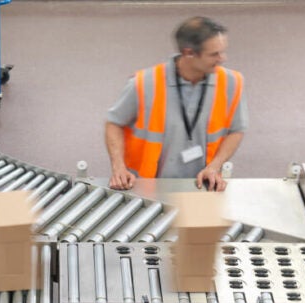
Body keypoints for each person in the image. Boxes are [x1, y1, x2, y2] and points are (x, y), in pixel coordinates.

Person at [104, 17, 246, 193]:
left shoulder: (232, 82)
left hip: (201, 186)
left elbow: (236, 129)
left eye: (222, 51)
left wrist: (215, 167)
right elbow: (114, 123)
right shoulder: (144, 83)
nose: (222, 58)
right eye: (214, 54)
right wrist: (118, 168)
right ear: (189, 53)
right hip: (147, 187)